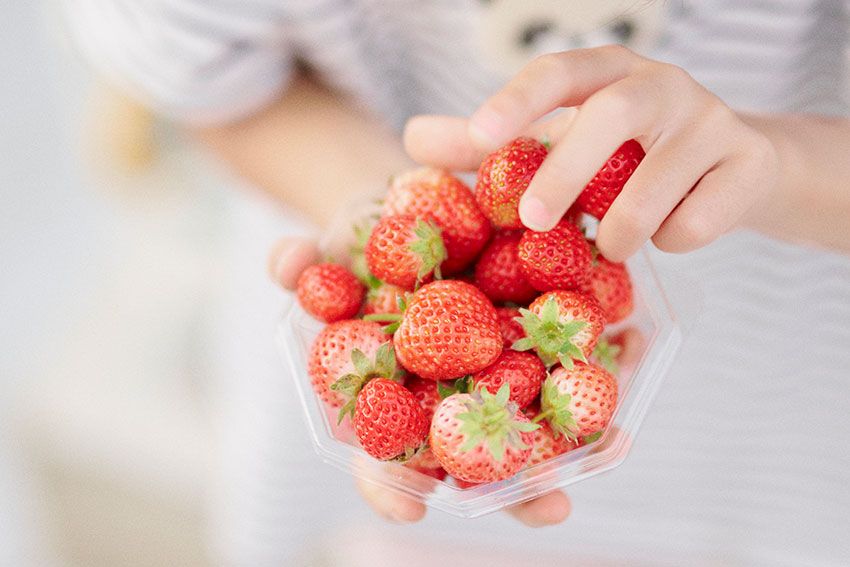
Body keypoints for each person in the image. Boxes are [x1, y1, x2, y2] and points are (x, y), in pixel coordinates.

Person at [66, 1, 850, 564]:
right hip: (420, 495)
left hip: (777, 438)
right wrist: (381, 204)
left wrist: (773, 164)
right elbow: (203, 78)